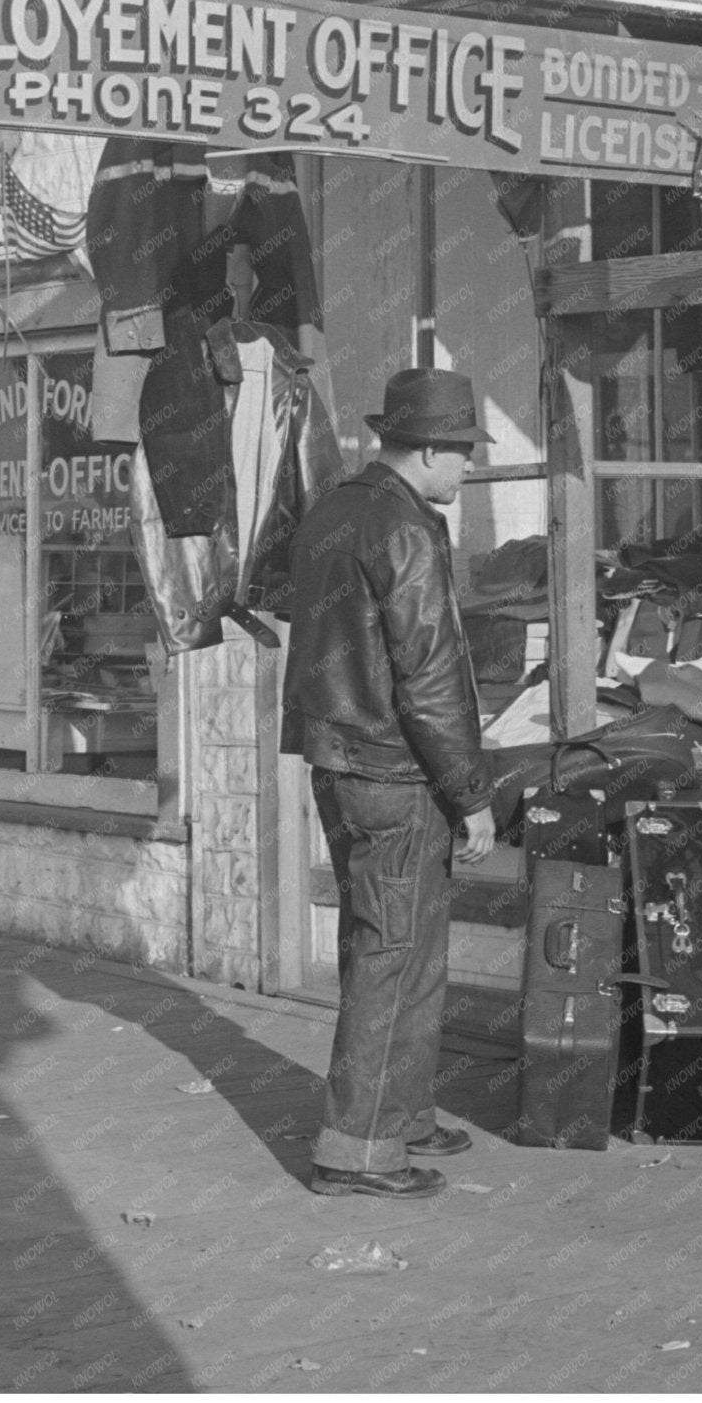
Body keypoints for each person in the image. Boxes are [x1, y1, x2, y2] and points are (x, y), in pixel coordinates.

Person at [280, 368, 496, 1200]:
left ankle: (401, 1115)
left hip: (340, 760)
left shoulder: (335, 508)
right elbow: (431, 676)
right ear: (431, 448)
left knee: (396, 944)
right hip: (396, 770)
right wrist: (471, 794)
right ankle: (358, 1149)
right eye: (464, 454)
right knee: (393, 951)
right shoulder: (407, 529)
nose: (468, 470)